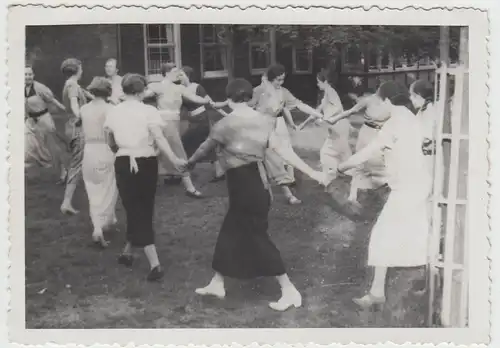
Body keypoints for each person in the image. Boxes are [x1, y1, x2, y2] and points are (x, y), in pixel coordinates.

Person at [182, 78, 329, 311]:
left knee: (256, 237)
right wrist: (313, 173)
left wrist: (188, 164)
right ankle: (217, 282)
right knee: (230, 233)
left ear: (228, 98)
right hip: (256, 184)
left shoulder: (223, 124)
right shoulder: (265, 121)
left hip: (245, 187)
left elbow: (204, 149)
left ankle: (289, 290)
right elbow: (284, 152)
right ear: (250, 98)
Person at [337, 81, 433, 309]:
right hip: (419, 183)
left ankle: (377, 293)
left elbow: (370, 151)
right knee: (421, 233)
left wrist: (342, 167)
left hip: (407, 188)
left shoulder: (394, 123)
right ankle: (429, 285)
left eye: (380, 102)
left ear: (388, 100)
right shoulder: (413, 117)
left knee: (382, 236)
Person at [104, 73, 185, 281]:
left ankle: (140, 256)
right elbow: (159, 137)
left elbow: (109, 139)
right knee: (141, 207)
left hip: (124, 161)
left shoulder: (114, 111)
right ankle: (143, 258)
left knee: (135, 207)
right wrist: (174, 159)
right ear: (141, 92)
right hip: (146, 161)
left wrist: (120, 149)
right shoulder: (149, 111)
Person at [253, 64, 325, 205]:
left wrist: (318, 114)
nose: (280, 83)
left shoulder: (283, 92)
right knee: (261, 163)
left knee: (279, 160)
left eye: (282, 80)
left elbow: (299, 104)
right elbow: (246, 107)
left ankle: (288, 193)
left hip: (273, 130)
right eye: (278, 80)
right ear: (270, 79)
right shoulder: (258, 91)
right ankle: (265, 194)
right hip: (258, 131)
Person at [326, 82, 404, 207]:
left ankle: (387, 193)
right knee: (359, 164)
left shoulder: (390, 104)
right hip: (366, 132)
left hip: (381, 133)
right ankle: (352, 196)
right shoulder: (368, 100)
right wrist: (334, 119)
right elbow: (351, 111)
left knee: (385, 162)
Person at [144, 62, 211, 198]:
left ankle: (146, 184)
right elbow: (142, 95)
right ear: (167, 73)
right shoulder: (157, 87)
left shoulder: (179, 88)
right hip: (164, 123)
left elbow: (194, 98)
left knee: (157, 152)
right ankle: (190, 188)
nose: (178, 75)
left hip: (174, 123)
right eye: (175, 72)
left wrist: (206, 101)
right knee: (176, 152)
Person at [81, 77, 118, 248]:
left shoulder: (84, 109)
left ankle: (102, 223)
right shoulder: (110, 109)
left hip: (89, 150)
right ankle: (101, 225)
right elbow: (111, 133)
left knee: (92, 188)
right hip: (104, 149)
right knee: (108, 187)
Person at [179, 66, 225, 181]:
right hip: (193, 121)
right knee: (206, 145)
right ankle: (219, 172)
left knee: (184, 143)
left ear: (187, 75)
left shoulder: (197, 87)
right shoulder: (179, 89)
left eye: (181, 74)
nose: (179, 77)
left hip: (201, 120)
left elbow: (211, 103)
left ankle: (185, 171)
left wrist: (225, 113)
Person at [60, 58, 92, 215]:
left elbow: (87, 96)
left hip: (71, 126)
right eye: (80, 67)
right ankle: (66, 202)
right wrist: (80, 116)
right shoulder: (72, 85)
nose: (82, 70)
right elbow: (74, 104)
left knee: (80, 162)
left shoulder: (73, 85)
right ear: (76, 69)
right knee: (76, 164)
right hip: (77, 128)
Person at [24, 64, 67, 182]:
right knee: (27, 146)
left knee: (52, 147)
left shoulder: (40, 87)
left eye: (29, 74)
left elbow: (52, 100)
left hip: (44, 120)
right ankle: (26, 174)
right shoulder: (19, 88)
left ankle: (63, 171)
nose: (27, 77)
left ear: (33, 75)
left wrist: (65, 109)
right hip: (30, 122)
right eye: (25, 74)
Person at [315, 69, 353, 178]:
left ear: (325, 81)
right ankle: (341, 170)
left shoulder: (330, 91)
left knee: (329, 151)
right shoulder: (328, 92)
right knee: (341, 150)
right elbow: (321, 107)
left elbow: (337, 107)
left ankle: (332, 172)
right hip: (338, 126)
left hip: (338, 125)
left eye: (318, 82)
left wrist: (324, 119)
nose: (317, 85)